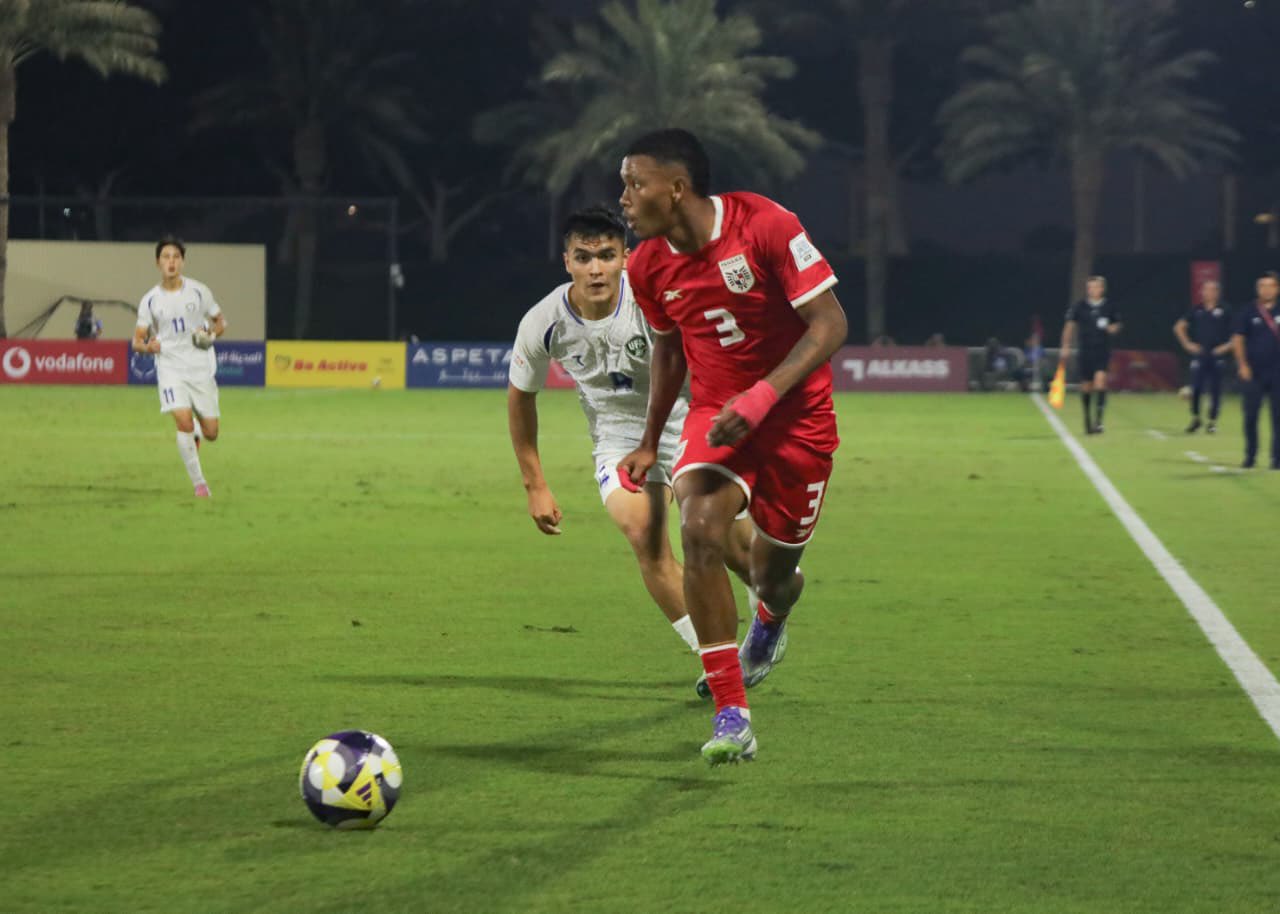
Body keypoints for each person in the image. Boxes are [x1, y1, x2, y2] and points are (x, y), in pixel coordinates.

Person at [617, 128, 848, 765]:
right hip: (718, 416)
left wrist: (763, 397)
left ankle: (770, 618)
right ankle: (732, 714)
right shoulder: (646, 266)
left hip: (798, 421)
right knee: (698, 527)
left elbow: (831, 323)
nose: (625, 199)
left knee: (775, 577)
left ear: (676, 188)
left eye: (635, 184)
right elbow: (669, 351)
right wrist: (648, 441)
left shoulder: (765, 224)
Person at [507, 205, 753, 657]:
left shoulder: (652, 298)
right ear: (567, 261)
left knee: (734, 550)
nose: (595, 269)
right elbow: (521, 398)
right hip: (618, 439)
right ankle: (719, 661)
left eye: (606, 255)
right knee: (645, 536)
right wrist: (535, 485)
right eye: (583, 257)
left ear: (625, 257)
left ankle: (769, 606)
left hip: (689, 420)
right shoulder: (543, 323)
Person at [132, 237, 226, 497]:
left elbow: (220, 322)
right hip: (170, 367)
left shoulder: (199, 291)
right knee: (182, 421)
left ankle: (197, 430)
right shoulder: (150, 300)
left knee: (212, 433)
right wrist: (148, 347)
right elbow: (137, 341)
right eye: (166, 257)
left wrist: (210, 334)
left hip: (199, 367)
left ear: (182, 262)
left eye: (175, 257)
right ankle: (200, 484)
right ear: (158, 263)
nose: (171, 262)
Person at [1059, 275, 1122, 435]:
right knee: (1086, 386)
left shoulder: (1110, 306)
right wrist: (1065, 346)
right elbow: (1069, 326)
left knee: (1100, 382)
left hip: (1102, 350)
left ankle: (1098, 421)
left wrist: (1110, 328)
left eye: (1096, 287)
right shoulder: (1079, 306)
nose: (1093, 290)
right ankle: (1087, 418)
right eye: (1090, 287)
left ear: (1102, 289)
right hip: (1085, 351)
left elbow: (1117, 325)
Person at [1230, 271, 1280, 469]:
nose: (1266, 289)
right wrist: (1242, 365)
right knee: (1250, 416)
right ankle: (1250, 456)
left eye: (1270, 285)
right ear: (1257, 288)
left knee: (1278, 417)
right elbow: (1238, 339)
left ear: (1277, 289)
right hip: (1254, 373)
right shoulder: (1248, 311)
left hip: (1277, 373)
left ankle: (1277, 459)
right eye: (1262, 286)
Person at [1174, 279, 1232, 434]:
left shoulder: (1225, 310)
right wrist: (1187, 344)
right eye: (1205, 289)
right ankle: (1196, 419)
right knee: (1196, 388)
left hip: (1217, 355)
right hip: (1200, 354)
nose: (1208, 292)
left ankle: (1212, 422)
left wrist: (1226, 347)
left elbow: (1237, 333)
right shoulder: (1196, 310)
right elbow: (1179, 327)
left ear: (1217, 292)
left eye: (1212, 290)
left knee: (1215, 389)